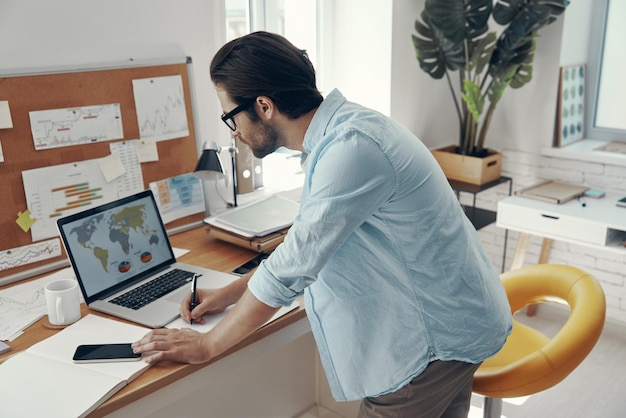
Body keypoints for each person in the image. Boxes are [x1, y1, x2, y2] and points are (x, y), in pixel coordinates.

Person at [132, 31, 512, 417]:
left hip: (434, 342)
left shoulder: (351, 148)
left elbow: (290, 269)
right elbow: (305, 245)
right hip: (454, 321)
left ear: (264, 106)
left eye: (230, 116)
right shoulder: (341, 135)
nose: (233, 132)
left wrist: (206, 345)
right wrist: (227, 295)